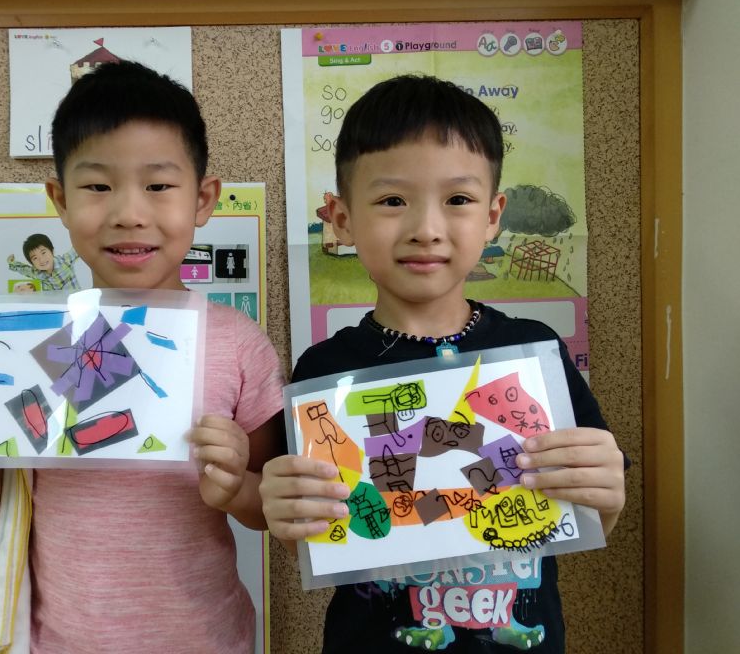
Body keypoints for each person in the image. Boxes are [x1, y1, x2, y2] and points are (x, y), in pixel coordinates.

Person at [0, 60, 286, 652]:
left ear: (203, 199)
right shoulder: (24, 348)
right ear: (60, 200)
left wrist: (236, 485)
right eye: (98, 186)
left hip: (205, 638)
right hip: (59, 641)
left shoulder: (238, 344)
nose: (128, 213)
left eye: (158, 186)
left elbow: (267, 507)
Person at [259, 75, 626, 653]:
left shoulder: (533, 353)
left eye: (457, 200)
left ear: (493, 215)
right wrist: (286, 514)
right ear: (342, 219)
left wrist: (607, 492)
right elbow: (318, 539)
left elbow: (587, 518)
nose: (425, 230)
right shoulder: (325, 371)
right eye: (392, 201)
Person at [7, 233, 81, 291]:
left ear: (52, 251)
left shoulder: (65, 260)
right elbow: (23, 269)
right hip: (54, 304)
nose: (41, 260)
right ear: (32, 263)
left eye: (43, 253)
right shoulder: (36, 272)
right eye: (35, 258)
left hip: (75, 302)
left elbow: (78, 248)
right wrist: (11, 262)